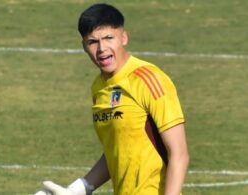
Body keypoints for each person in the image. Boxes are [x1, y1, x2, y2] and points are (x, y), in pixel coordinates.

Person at [35, 3, 189, 195]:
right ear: (83, 46)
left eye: (109, 38)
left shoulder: (149, 79)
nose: (101, 48)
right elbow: (117, 150)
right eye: (92, 42)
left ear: (123, 38)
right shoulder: (99, 88)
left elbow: (179, 153)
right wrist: (78, 189)